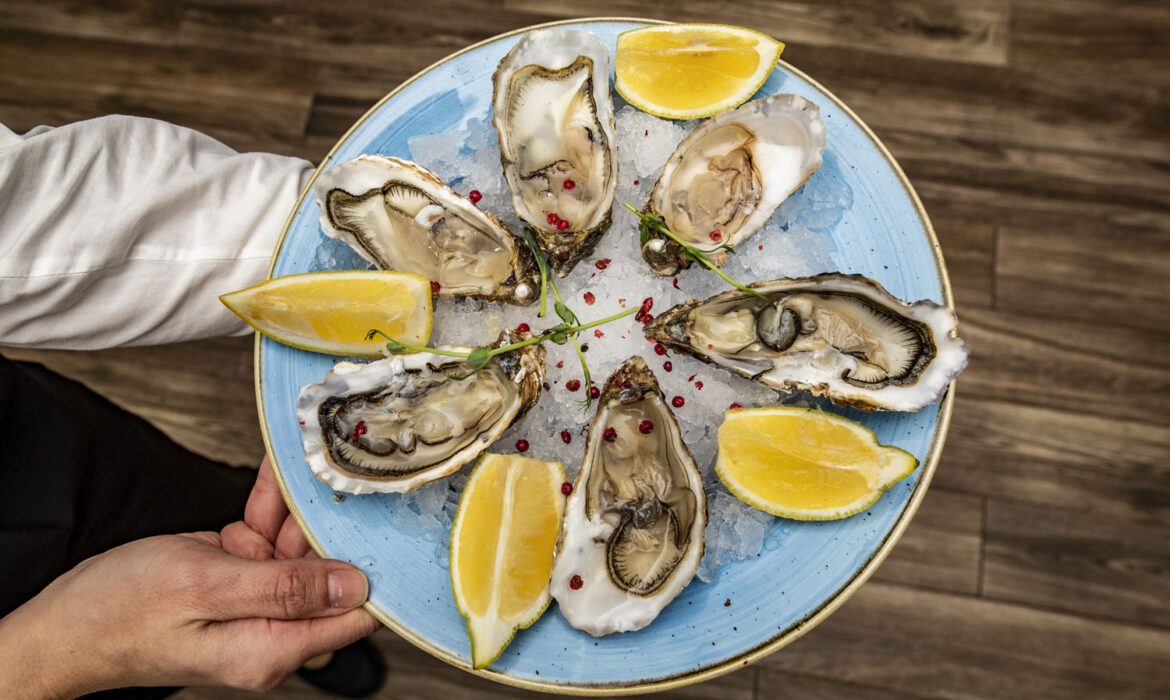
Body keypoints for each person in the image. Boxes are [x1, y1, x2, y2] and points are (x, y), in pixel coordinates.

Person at [0, 116, 385, 697]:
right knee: (160, 656)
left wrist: (341, 245)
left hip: (27, 450)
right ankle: (303, 638)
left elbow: (28, 221)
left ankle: (304, 638)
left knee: (240, 524)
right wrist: (56, 653)